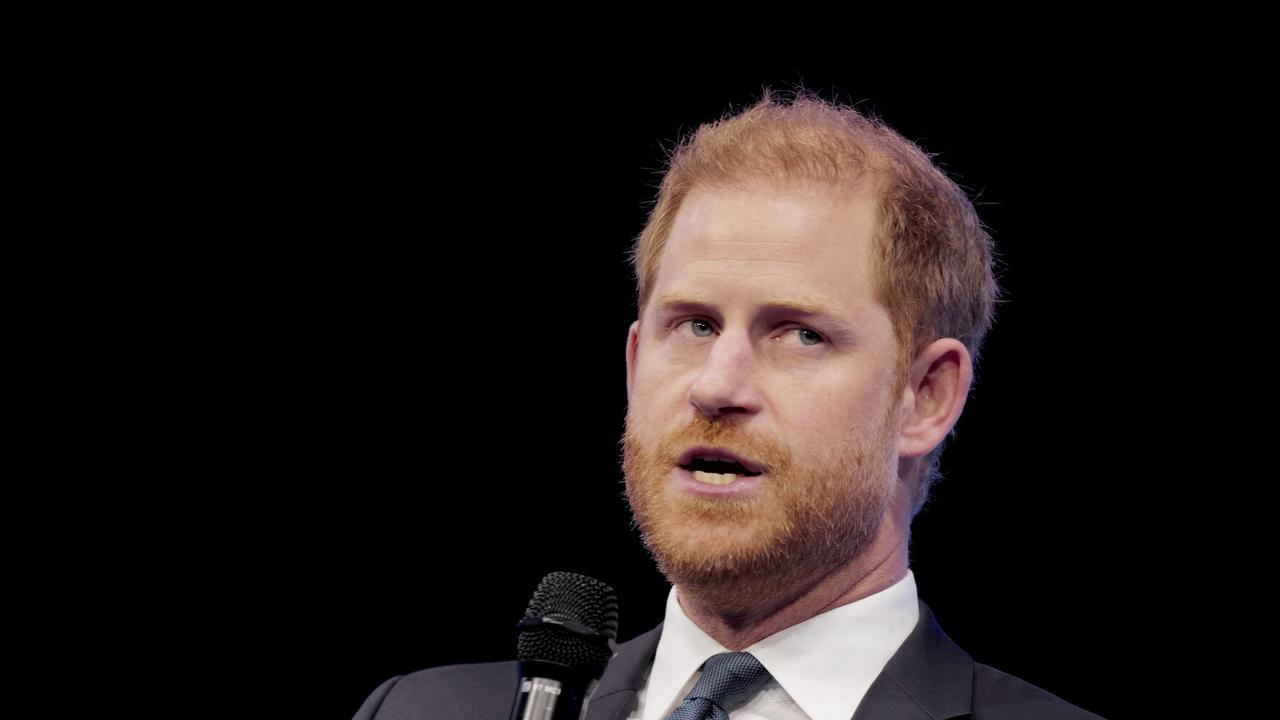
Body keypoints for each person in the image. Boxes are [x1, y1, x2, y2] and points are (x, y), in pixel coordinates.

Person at [353, 89, 1105, 720]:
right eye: (696, 325)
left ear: (926, 397)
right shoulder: (421, 711)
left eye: (800, 335)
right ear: (636, 358)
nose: (717, 385)